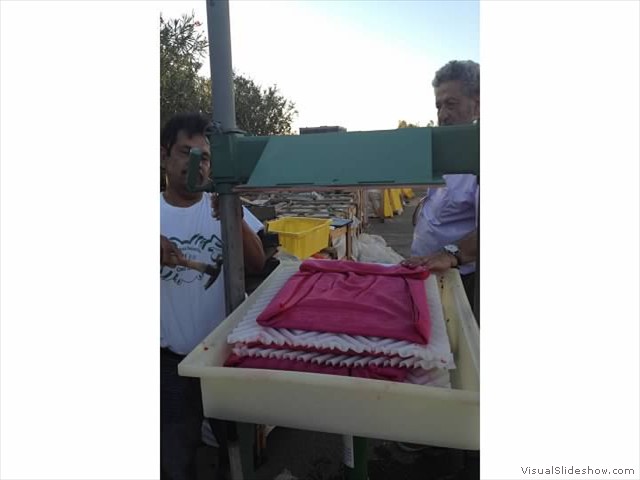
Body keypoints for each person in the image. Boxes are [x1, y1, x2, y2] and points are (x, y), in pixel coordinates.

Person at [160, 112, 266, 480]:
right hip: (171, 362)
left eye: (203, 157)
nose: (196, 165)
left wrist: (233, 218)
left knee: (237, 452)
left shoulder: (222, 203)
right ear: (163, 156)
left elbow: (257, 263)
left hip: (226, 357)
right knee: (175, 459)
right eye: (185, 153)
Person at [403, 60, 480, 312]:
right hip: (428, 270)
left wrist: (451, 254)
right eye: (438, 105)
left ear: (477, 104)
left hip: (459, 279)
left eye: (451, 104)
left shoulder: (478, 157)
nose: (442, 115)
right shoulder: (448, 151)